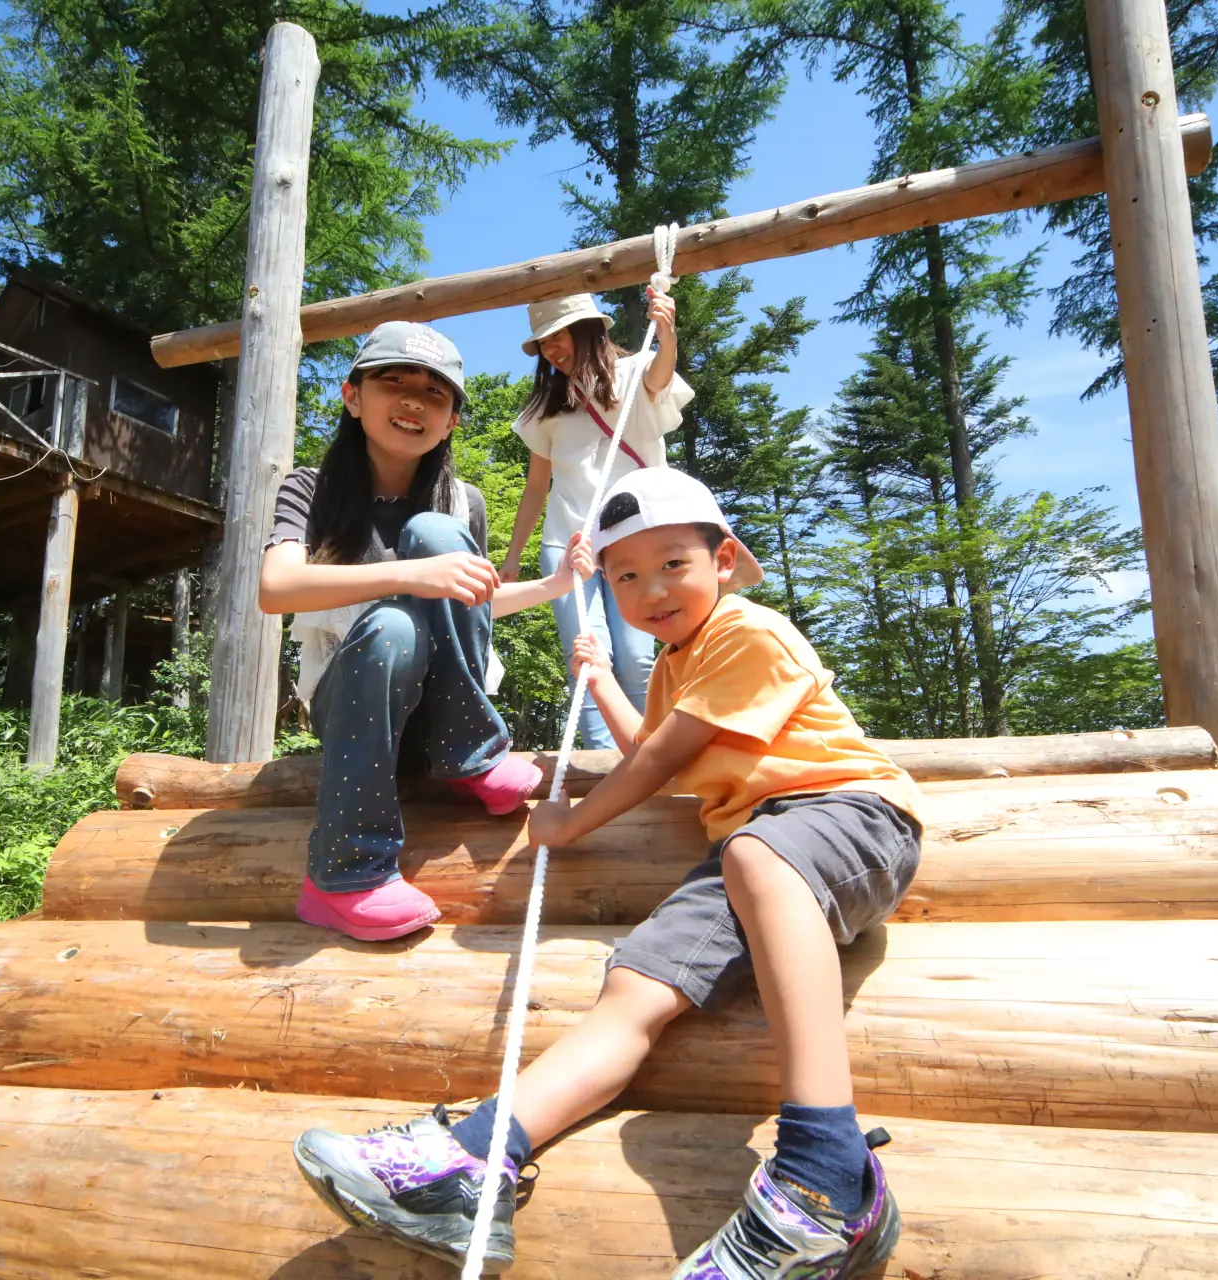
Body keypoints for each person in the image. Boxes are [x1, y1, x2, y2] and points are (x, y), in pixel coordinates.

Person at [293, 467, 924, 1279]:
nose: (649, 588)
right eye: (626, 575)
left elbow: (662, 761)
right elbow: (647, 744)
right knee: (636, 982)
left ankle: (829, 1176)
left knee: (754, 855)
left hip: (850, 818)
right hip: (753, 856)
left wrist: (572, 820)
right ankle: (473, 1160)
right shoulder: (675, 666)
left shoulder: (746, 631)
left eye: (672, 565)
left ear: (724, 561)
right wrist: (596, 679)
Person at [259, 321, 594, 943]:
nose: (413, 400)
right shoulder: (311, 488)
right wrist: (415, 574)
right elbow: (276, 588)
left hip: (441, 723)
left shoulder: (461, 501)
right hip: (357, 711)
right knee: (392, 623)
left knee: (438, 535)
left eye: (435, 394)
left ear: (451, 423)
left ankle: (470, 753)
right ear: (352, 397)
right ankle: (345, 873)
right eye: (394, 382)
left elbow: (468, 604)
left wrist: (553, 588)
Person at [501, 289, 692, 750]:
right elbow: (535, 488)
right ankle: (604, 764)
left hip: (636, 539)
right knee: (589, 656)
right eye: (542, 343)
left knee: (635, 655)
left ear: (586, 330)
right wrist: (512, 561)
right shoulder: (544, 407)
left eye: (556, 336)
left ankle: (650, 756)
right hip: (568, 544)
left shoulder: (631, 375)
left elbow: (658, 378)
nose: (550, 349)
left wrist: (666, 336)